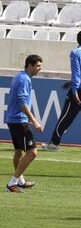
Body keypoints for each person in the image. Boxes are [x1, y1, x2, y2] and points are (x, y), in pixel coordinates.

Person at [42, 31, 81, 152]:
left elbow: (77, 73)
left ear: (77, 40)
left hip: (78, 90)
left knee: (65, 118)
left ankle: (54, 144)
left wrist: (74, 90)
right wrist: (72, 82)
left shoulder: (75, 52)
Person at [5, 55, 43, 193]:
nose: (40, 68)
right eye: (38, 65)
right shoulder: (24, 79)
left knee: (18, 152)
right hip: (19, 120)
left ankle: (20, 181)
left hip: (12, 119)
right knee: (32, 152)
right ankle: (12, 183)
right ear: (30, 65)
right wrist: (34, 121)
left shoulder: (20, 76)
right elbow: (22, 103)